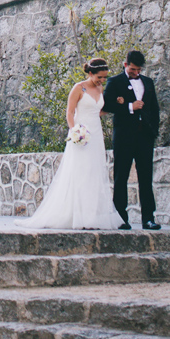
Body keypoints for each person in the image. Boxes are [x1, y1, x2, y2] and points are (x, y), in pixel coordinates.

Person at [17, 58, 121, 230]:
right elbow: (70, 112)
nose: (102, 81)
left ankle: (91, 215)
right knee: (80, 173)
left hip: (96, 135)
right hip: (80, 135)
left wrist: (116, 105)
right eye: (99, 77)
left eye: (104, 78)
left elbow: (97, 111)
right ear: (90, 73)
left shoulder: (100, 89)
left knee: (94, 173)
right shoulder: (78, 88)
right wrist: (75, 132)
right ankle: (76, 215)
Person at [104, 50, 161, 230]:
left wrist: (153, 131)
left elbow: (154, 109)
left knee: (146, 177)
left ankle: (148, 218)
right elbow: (106, 105)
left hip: (145, 137)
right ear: (125, 64)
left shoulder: (148, 83)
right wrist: (129, 106)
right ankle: (121, 217)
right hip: (124, 137)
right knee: (121, 177)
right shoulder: (114, 82)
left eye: (139, 70)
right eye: (133, 69)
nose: (136, 73)